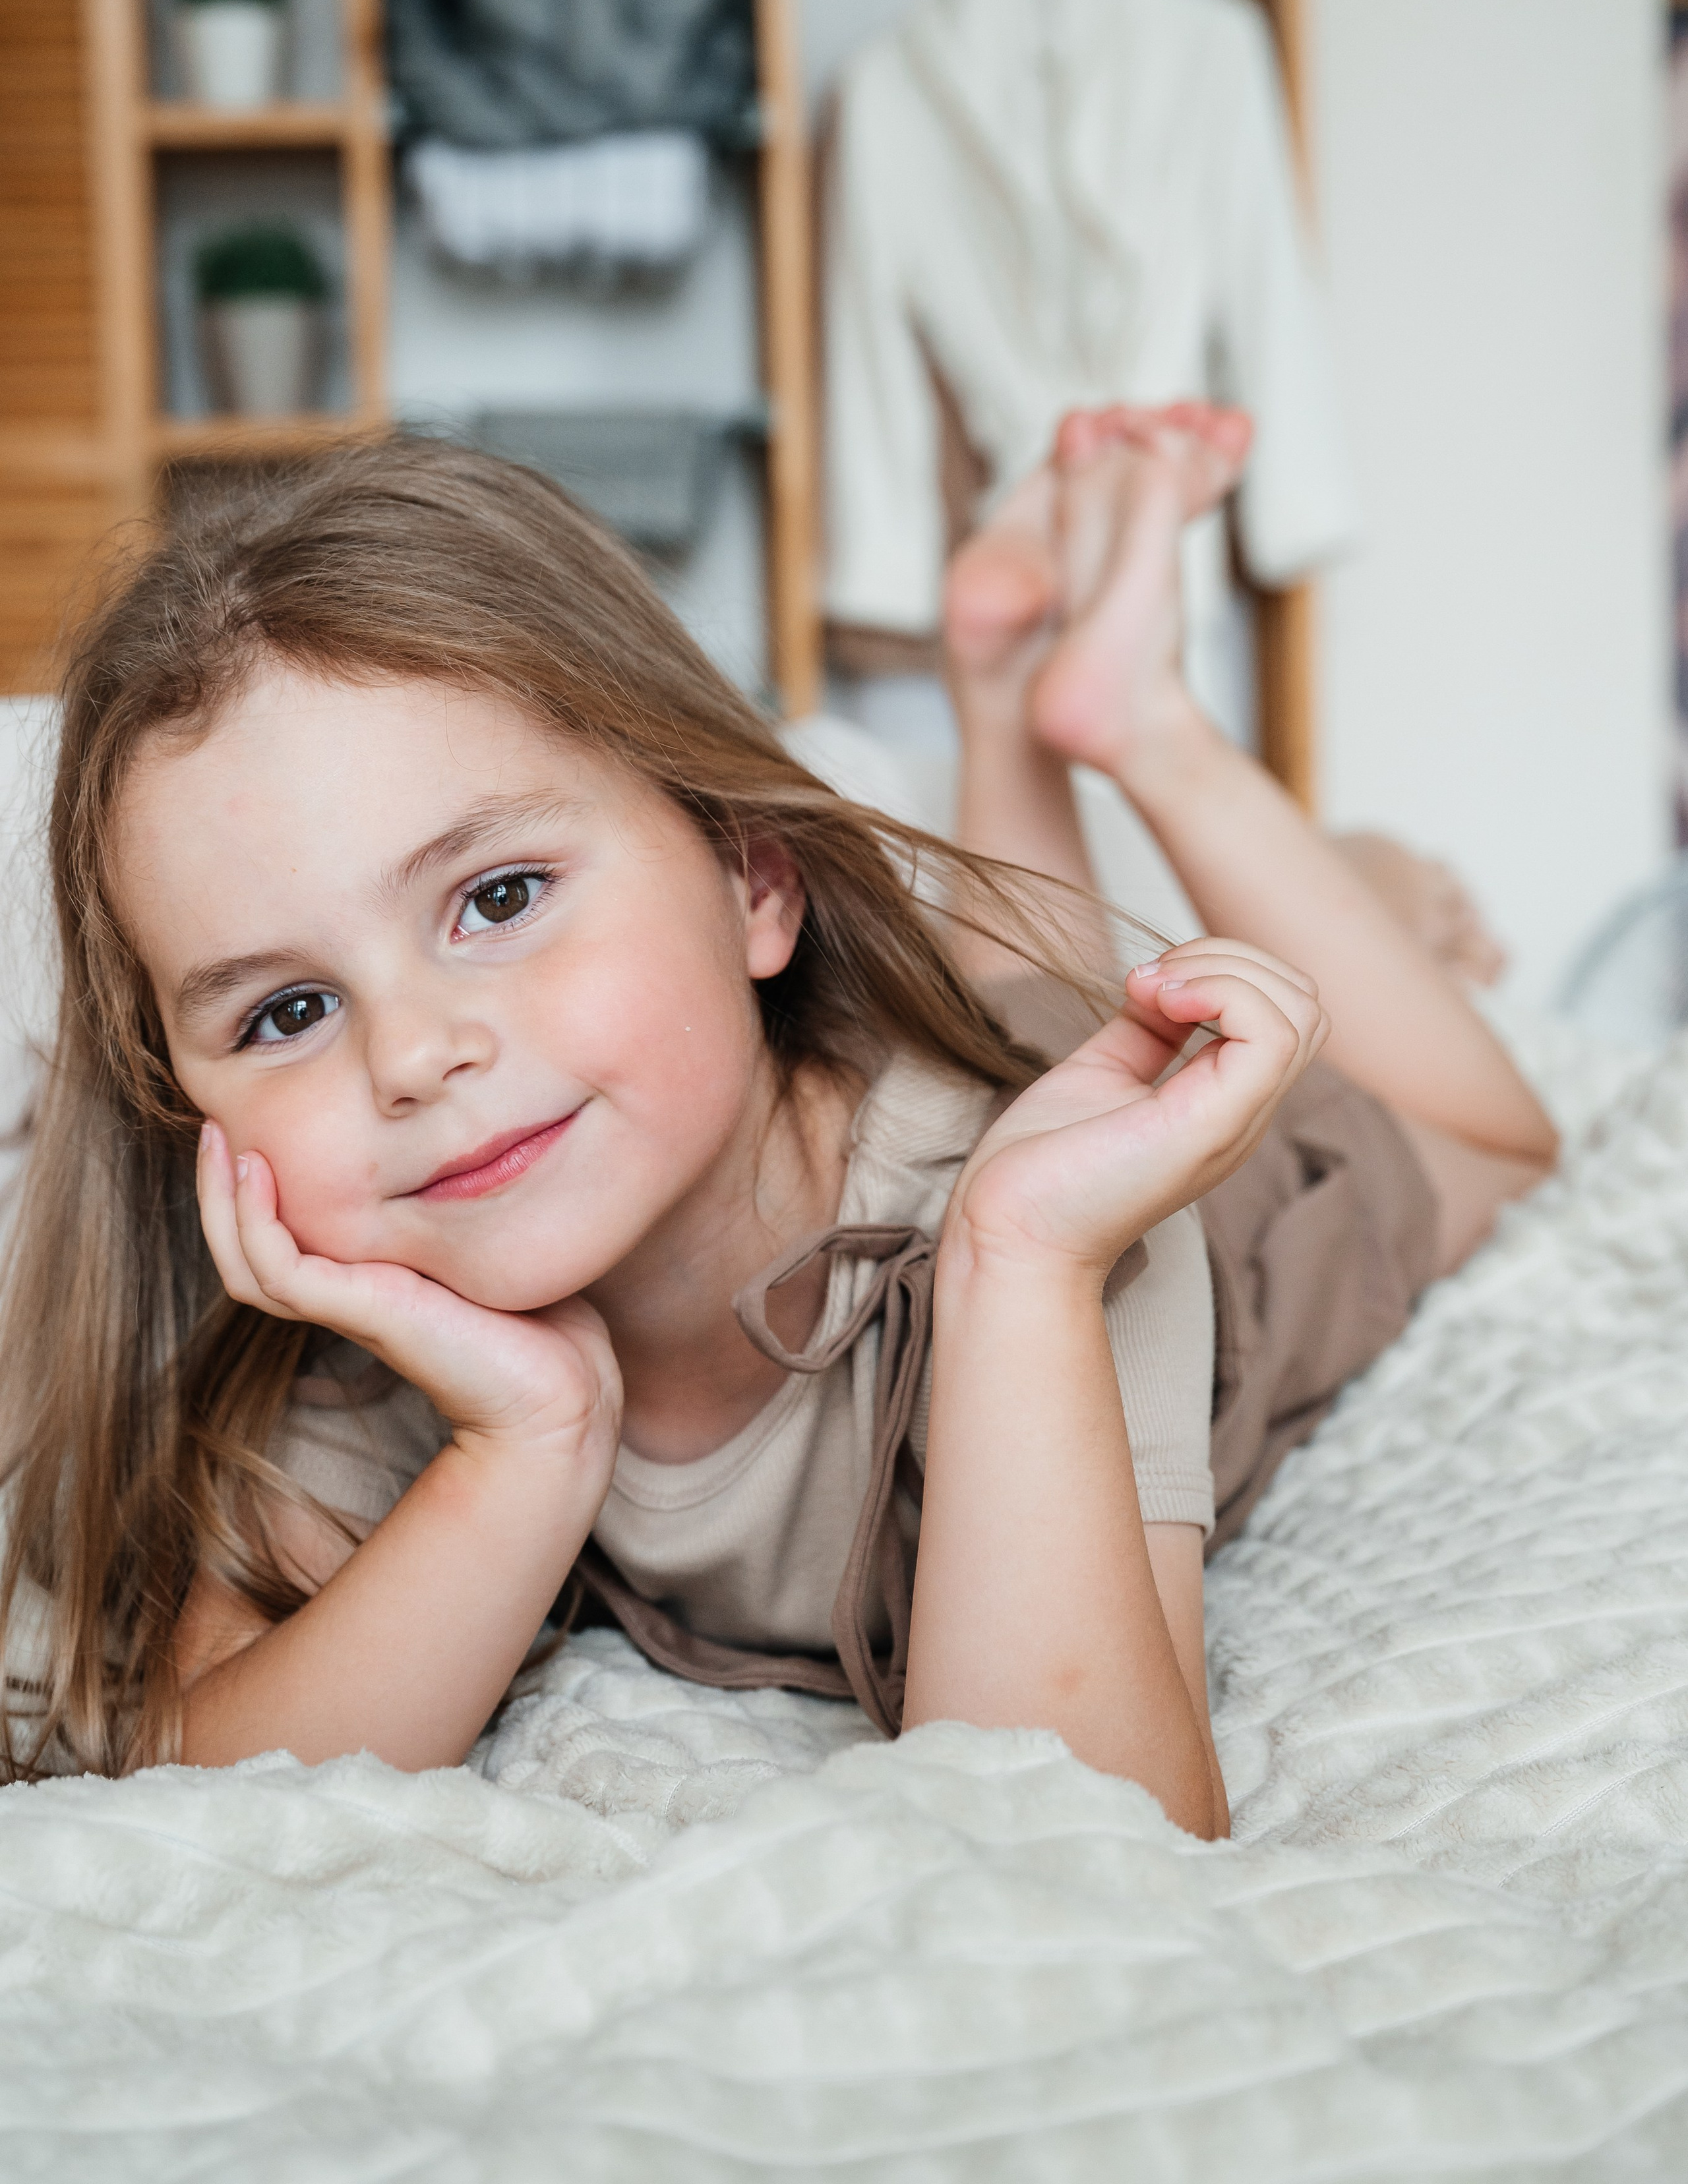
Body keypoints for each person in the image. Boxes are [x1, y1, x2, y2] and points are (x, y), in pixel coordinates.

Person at [0, 422, 1552, 1840]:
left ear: (753, 878)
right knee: (1010, 987)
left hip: (1061, 1156)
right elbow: (205, 1792)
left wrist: (1019, 1267)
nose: (411, 1058)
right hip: (900, 1061)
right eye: (284, 1013)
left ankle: (1143, 722)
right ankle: (1012, 696)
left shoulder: (1068, 1221)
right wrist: (524, 1446)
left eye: (497, 898)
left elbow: (1084, 1837)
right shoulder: (376, 1316)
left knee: (1476, 1134)